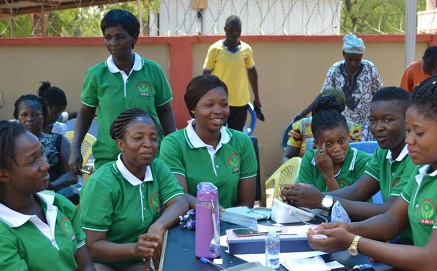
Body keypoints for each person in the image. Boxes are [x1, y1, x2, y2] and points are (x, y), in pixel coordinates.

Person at [307, 66, 437, 271]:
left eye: (419, 133)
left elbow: (434, 260)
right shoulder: (427, 169)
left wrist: (354, 242)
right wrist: (345, 230)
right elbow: (391, 220)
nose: (409, 140)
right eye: (408, 130)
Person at [0, 121, 115, 271]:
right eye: (31, 161)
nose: (46, 165)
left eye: (42, 153)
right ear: (3, 174)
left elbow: (84, 265)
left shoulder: (59, 205)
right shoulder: (5, 229)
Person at [80, 108, 188, 271]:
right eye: (138, 138)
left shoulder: (156, 168)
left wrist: (158, 226)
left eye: (153, 138)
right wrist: (135, 249)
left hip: (134, 262)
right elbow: (92, 246)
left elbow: (180, 201)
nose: (148, 144)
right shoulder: (102, 184)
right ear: (121, 144)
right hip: (99, 265)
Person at [282, 87, 416, 223]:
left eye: (387, 120)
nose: (378, 127)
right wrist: (304, 196)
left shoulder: (415, 158)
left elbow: (389, 212)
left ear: (408, 120)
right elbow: (357, 191)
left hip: (408, 241)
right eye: (372, 121)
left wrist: (322, 200)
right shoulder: (383, 153)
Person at [70, 9, 177, 172]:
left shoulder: (152, 70)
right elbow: (85, 113)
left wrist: (172, 146)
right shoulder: (96, 74)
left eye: (120, 37)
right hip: (109, 156)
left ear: (133, 38)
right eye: (108, 37)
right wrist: (75, 149)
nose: (113, 42)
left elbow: (165, 110)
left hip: (150, 157)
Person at [159, 75, 258, 209]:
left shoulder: (242, 142)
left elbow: (246, 205)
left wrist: (225, 223)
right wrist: (210, 212)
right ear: (193, 108)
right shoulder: (173, 144)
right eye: (209, 105)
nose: (218, 111)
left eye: (224, 104)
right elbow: (178, 198)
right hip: (189, 225)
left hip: (232, 224)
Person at [292, 33, 383, 141]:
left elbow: (380, 94)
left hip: (366, 124)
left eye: (357, 60)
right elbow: (324, 94)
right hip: (344, 124)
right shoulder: (335, 70)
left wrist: (379, 119)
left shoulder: (370, 68)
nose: (353, 63)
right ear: (343, 54)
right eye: (350, 59)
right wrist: (303, 113)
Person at [297, 95, 371, 192]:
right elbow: (304, 199)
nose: (337, 149)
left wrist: (328, 176)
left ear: (348, 136)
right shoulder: (310, 159)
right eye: (328, 144)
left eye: (341, 141)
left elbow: (350, 206)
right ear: (317, 144)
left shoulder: (363, 162)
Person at [13, 94, 79, 204]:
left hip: (54, 195)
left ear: (44, 116)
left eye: (35, 115)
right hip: (19, 198)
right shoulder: (9, 144)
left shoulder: (59, 140)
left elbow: (72, 175)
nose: (30, 119)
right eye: (24, 115)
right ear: (17, 117)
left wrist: (50, 187)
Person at [202, 15, 262, 131]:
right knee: (217, 135)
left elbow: (252, 72)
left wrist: (257, 98)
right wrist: (204, 99)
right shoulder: (215, 49)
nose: (235, 34)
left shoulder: (246, 49)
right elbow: (205, 75)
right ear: (225, 29)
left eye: (238, 31)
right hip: (220, 102)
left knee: (236, 138)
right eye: (231, 31)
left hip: (240, 103)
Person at [282, 88, 362, 163]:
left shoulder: (352, 128)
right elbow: (286, 157)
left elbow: (354, 158)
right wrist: (299, 171)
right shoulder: (302, 125)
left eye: (341, 141)